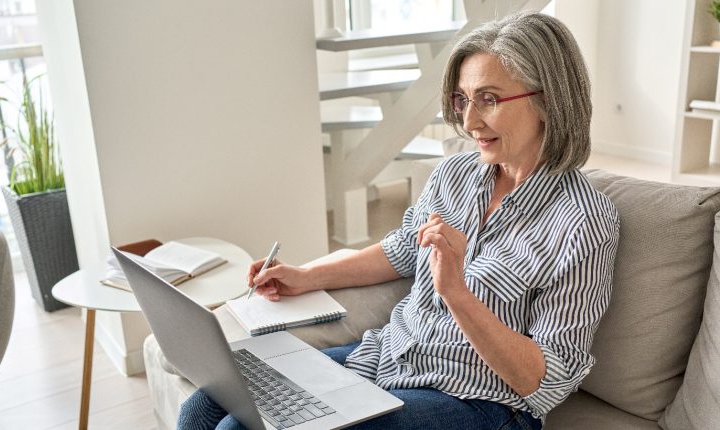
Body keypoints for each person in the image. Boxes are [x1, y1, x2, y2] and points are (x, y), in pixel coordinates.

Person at [178, 11, 619, 430]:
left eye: (489, 99)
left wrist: (457, 294)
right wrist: (305, 276)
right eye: (462, 99)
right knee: (208, 401)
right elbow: (402, 250)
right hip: (385, 359)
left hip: (476, 402)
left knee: (246, 424)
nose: (468, 121)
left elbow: (543, 381)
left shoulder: (584, 222)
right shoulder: (455, 175)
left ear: (549, 100)